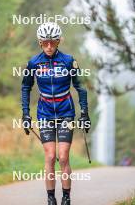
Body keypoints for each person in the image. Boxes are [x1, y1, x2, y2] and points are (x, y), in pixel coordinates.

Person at [21, 22, 91, 205]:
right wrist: (26, 114)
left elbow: (81, 86)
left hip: (66, 113)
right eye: (45, 43)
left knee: (64, 156)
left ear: (59, 41)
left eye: (52, 42)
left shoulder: (68, 61)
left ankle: (66, 197)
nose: (49, 46)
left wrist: (84, 113)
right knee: (51, 156)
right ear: (40, 43)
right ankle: (51, 198)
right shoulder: (34, 63)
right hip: (44, 114)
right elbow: (26, 87)